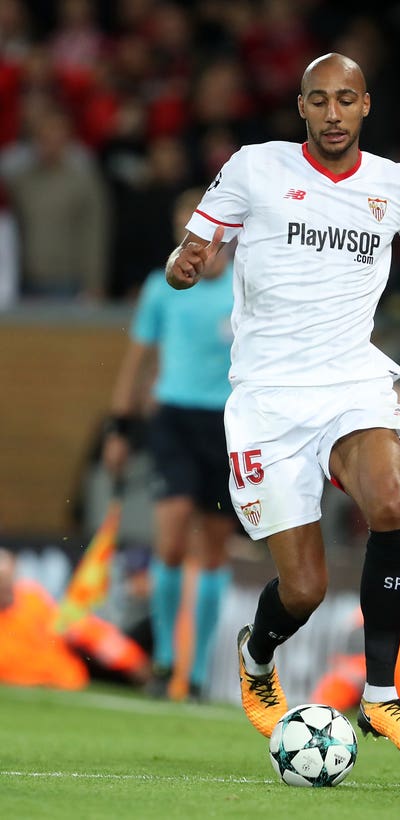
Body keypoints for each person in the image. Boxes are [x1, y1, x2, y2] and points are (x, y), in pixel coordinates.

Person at [165, 53, 400, 759]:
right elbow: (193, 248)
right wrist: (183, 267)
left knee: (391, 504)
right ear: (301, 108)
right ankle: (258, 658)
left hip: (350, 381)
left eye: (346, 100)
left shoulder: (399, 186)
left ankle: (380, 697)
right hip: (268, 398)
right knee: (304, 589)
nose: (333, 114)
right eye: (319, 101)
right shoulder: (254, 167)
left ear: (366, 105)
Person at [103, 187, 237, 701]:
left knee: (214, 549)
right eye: (189, 236)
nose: (197, 244)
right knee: (172, 538)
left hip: (227, 426)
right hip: (174, 419)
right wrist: (120, 425)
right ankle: (163, 662)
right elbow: (137, 358)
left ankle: (197, 673)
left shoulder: (243, 288)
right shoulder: (162, 288)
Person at [0, 547, 149, 689]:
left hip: (62, 681)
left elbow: (87, 631)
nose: (5, 587)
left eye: (7, 579)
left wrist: (132, 660)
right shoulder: (30, 600)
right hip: (29, 682)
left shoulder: (32, 601)